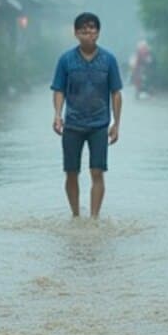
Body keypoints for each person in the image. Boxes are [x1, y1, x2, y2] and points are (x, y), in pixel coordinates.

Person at [51, 11, 123, 217]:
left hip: (99, 124)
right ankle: (75, 215)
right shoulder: (66, 60)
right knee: (71, 172)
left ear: (98, 33)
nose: (87, 33)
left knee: (97, 172)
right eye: (83, 30)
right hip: (72, 124)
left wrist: (116, 124)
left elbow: (116, 93)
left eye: (91, 29)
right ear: (76, 34)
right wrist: (57, 115)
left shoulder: (108, 60)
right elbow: (59, 90)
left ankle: (94, 218)